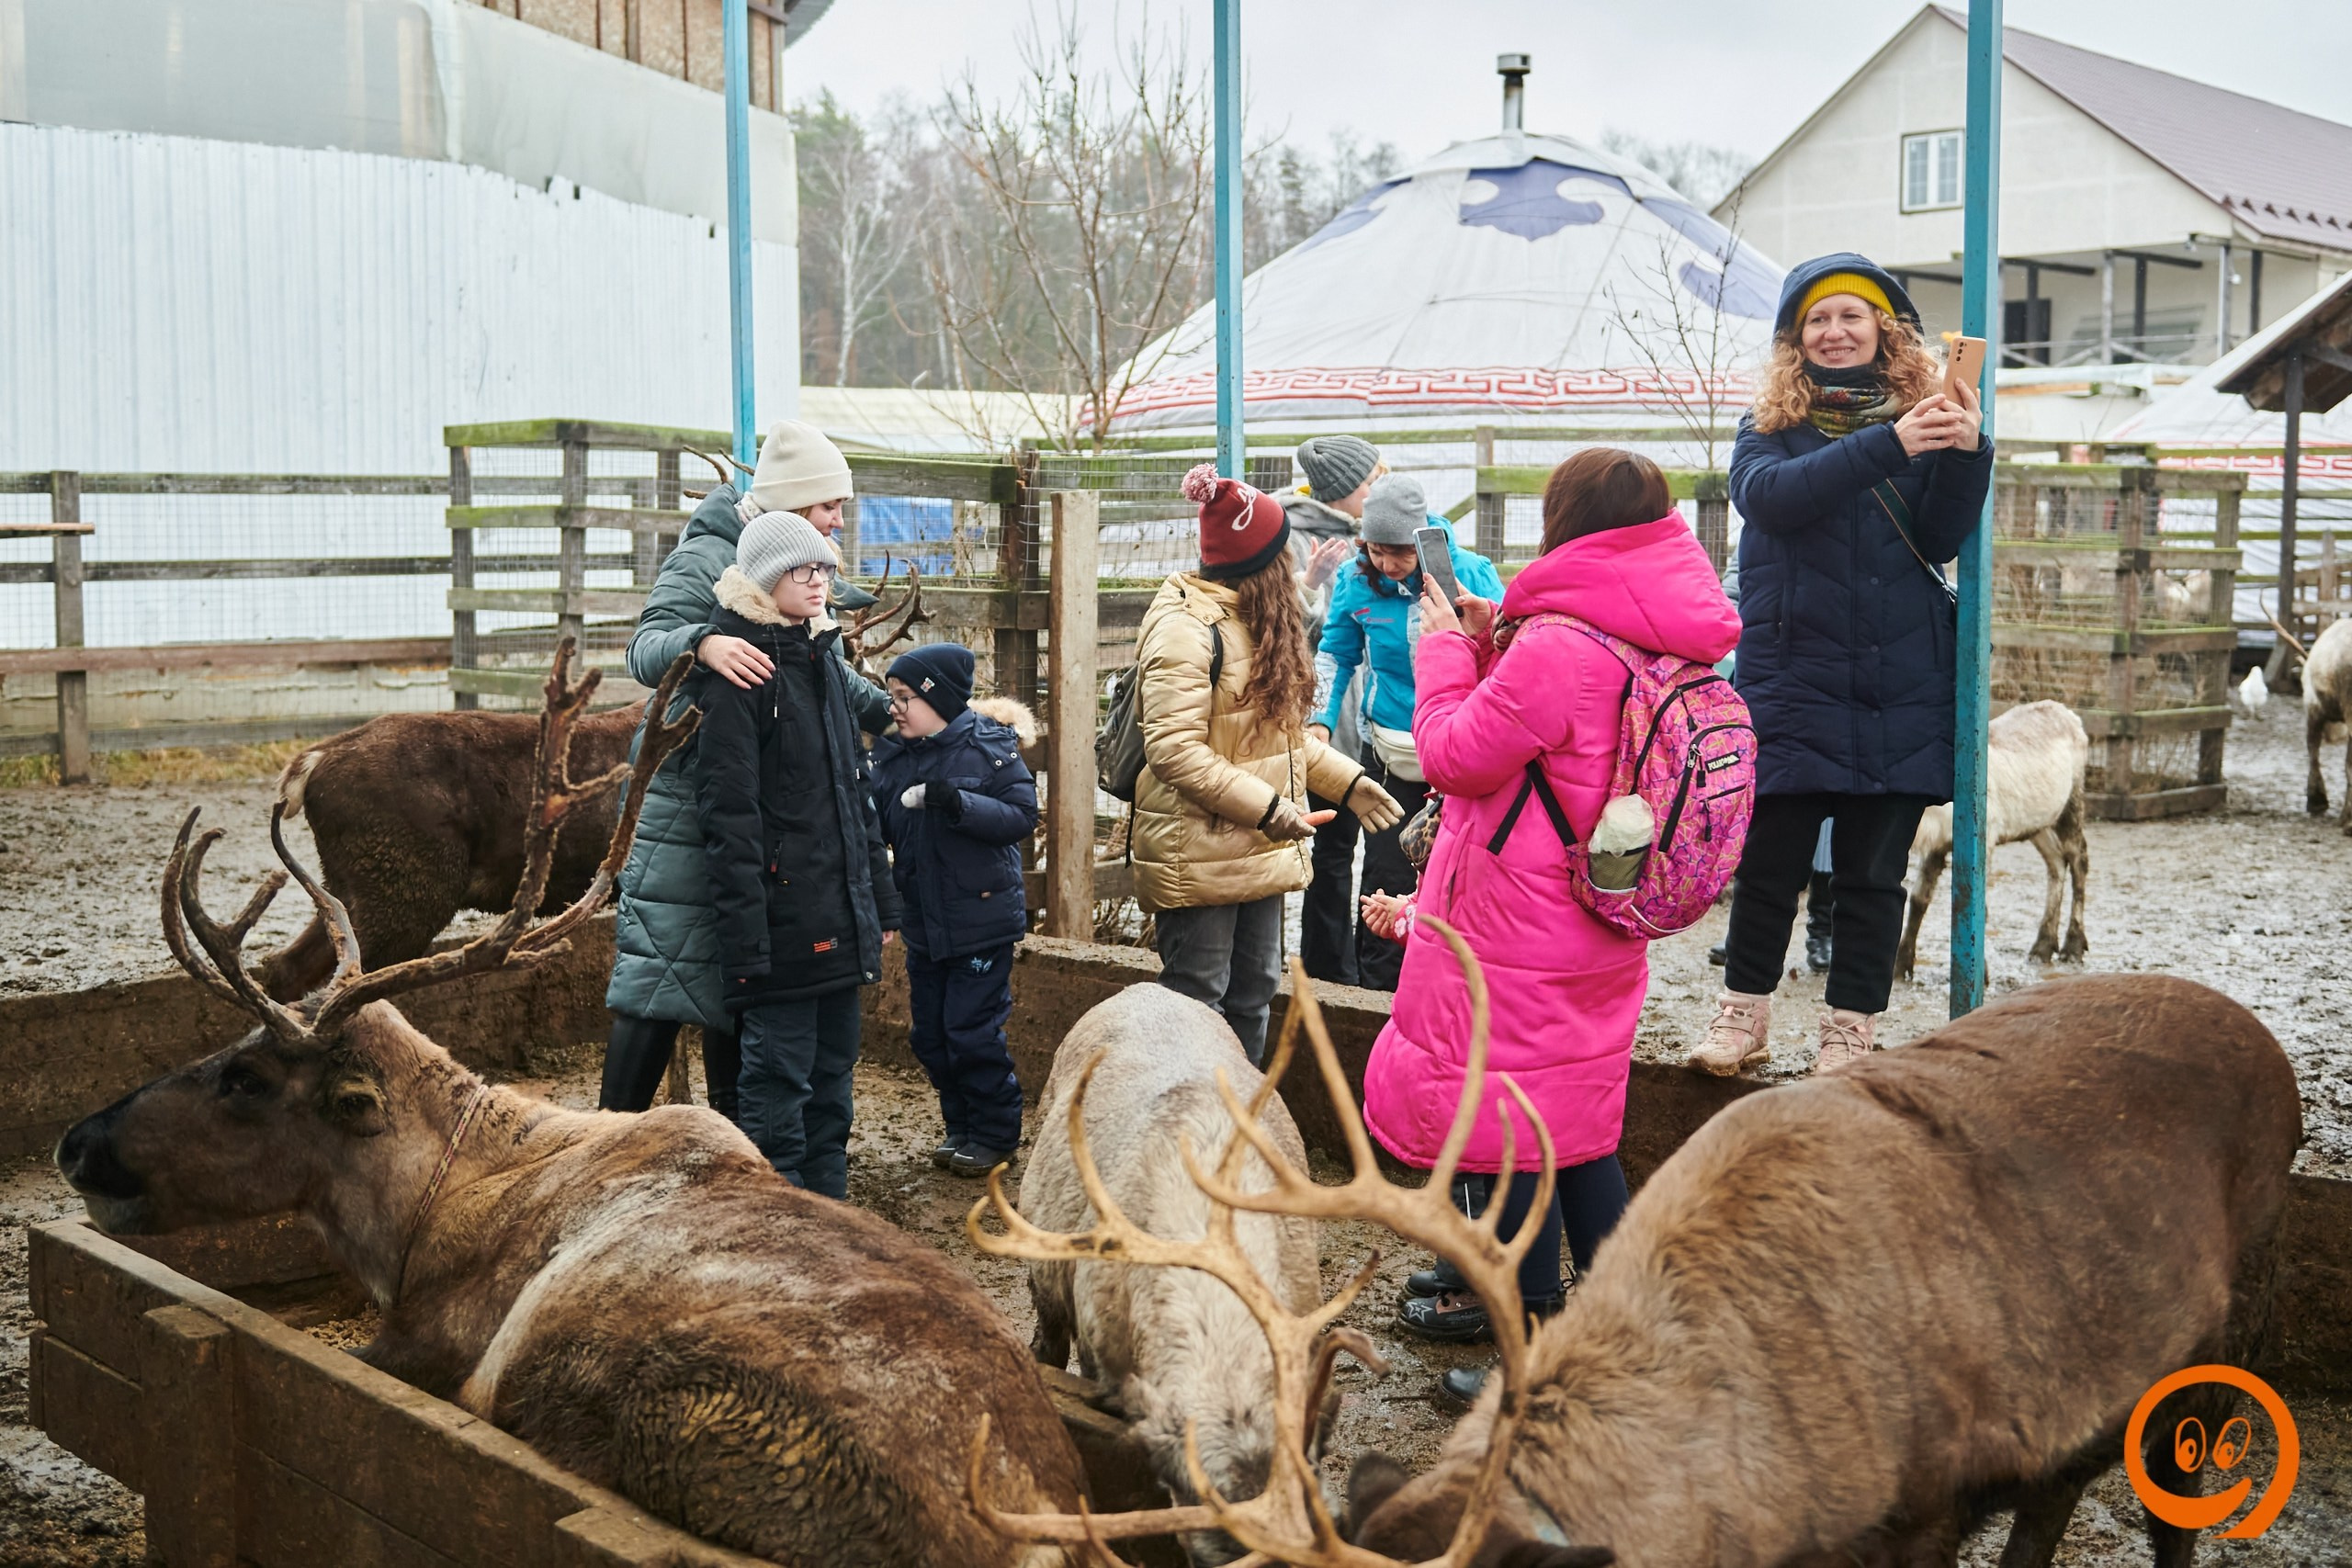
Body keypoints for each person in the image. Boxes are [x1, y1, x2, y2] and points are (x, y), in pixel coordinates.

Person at [1360, 449, 1738, 1403]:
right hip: (1599, 920)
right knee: (1578, 1133)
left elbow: (1451, 755)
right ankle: (1627, 1332)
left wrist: (1443, 651)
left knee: (1516, 1136)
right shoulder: (1659, 631)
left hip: (1518, 931)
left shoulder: (1560, 646)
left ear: (1567, 523)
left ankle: (1533, 1364)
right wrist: (1496, 646)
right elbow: (1560, 741)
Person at [1694, 253, 1990, 1077]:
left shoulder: (1927, 417)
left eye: (1850, 317)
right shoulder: (1767, 426)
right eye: (1817, 321)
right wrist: (1891, 444)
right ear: (1797, 340)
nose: (1834, 332)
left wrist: (1965, 453)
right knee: (1769, 861)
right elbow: (1772, 499)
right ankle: (1743, 1013)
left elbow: (1936, 539)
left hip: (1898, 679)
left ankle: (1849, 1032)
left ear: (1882, 328)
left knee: (1873, 872)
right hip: (1791, 674)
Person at [602, 420, 892, 1120]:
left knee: (744, 981)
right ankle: (606, 1139)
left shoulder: (804, 570)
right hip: (687, 797)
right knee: (661, 973)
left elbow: (818, 664)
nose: (839, 521)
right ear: (794, 504)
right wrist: (702, 643)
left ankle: (736, 1154)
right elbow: (644, 650)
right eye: (830, 505)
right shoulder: (709, 555)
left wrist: (892, 712)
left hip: (766, 803)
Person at [1133, 464, 1405, 1063]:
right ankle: (1182, 1135)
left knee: (1255, 991)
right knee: (1197, 997)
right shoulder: (1185, 630)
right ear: (1254, 562)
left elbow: (1279, 738)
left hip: (1258, 841)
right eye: (1282, 552)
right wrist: (1270, 807)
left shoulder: (1258, 622)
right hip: (1199, 849)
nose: (1292, 564)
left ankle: (1240, 1129)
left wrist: (1349, 781)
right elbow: (1174, 750)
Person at [691, 510, 900, 1200]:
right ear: (767, 576)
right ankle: (779, 1235)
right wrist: (746, 945)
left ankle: (828, 1223)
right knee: (777, 1094)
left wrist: (879, 901)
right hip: (781, 932)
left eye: (826, 570)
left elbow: (854, 793)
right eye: (804, 570)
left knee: (833, 1090)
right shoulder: (739, 674)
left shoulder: (823, 662)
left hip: (839, 922)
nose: (819, 583)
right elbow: (731, 819)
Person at [1311, 474, 1503, 990]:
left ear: (1422, 540)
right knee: (1385, 876)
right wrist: (1320, 720)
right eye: (1376, 551)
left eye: (1399, 553)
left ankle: (1455, 987)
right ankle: (1379, 995)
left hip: (1462, 755)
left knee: (1458, 877)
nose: (1388, 565)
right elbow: (1335, 653)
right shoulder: (1357, 582)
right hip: (1391, 753)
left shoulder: (1469, 574)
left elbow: (1511, 647)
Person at [869, 643, 1038, 1178]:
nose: (893, 709)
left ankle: (994, 1135)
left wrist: (956, 802)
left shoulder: (990, 748)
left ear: (935, 697)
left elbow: (1019, 815)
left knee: (972, 1032)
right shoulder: (893, 758)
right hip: (924, 925)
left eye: (903, 698)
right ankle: (960, 1127)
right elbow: (876, 828)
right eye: (890, 697)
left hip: (980, 924)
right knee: (931, 1035)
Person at [1283, 434, 1383, 985]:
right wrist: (1314, 590)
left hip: (1378, 719)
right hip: (1328, 727)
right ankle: (1328, 972)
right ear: (1348, 490)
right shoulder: (1291, 541)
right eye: (1370, 481)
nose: (1377, 489)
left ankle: (1373, 964)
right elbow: (1291, 635)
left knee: (1385, 852)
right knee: (1332, 850)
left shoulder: (1377, 535)